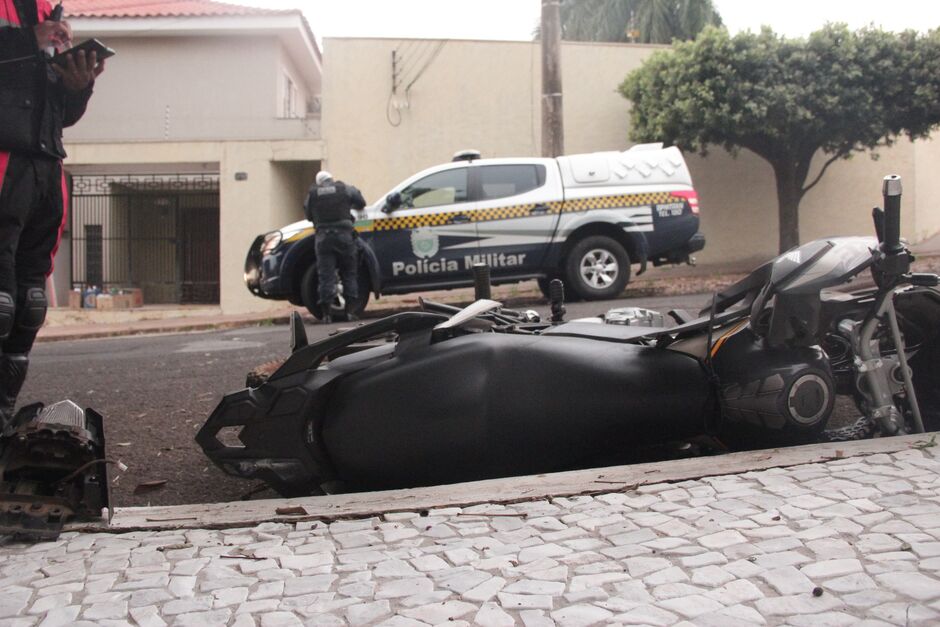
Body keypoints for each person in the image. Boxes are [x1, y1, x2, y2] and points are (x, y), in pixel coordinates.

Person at [0, 0, 105, 428]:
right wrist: (30, 39)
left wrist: (78, 85)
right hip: (4, 159)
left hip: (44, 161)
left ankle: (3, 413)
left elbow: (64, 112)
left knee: (30, 303)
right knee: (2, 301)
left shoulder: (47, 8)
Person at [303, 170, 366, 323]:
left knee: (326, 275)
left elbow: (309, 215)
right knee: (349, 273)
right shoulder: (344, 188)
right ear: (331, 178)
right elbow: (361, 201)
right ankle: (350, 312)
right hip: (345, 237)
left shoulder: (313, 193)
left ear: (319, 182)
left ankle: (326, 315)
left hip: (323, 238)